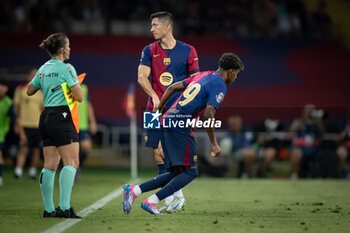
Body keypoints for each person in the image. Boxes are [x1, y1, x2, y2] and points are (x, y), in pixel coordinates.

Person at [123, 53, 244, 215]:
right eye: (236, 74)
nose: (235, 78)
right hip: (179, 126)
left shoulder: (203, 75)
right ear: (230, 71)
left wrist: (159, 110)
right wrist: (214, 144)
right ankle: (151, 201)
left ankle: (134, 190)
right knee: (191, 172)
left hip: (167, 120)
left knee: (176, 171)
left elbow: (171, 87)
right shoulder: (220, 84)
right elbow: (208, 115)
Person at [137, 11, 199, 212]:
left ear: (167, 26)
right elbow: (141, 77)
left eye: (155, 25)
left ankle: (174, 198)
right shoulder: (149, 50)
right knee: (158, 154)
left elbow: (195, 83)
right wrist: (154, 95)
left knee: (171, 154)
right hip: (153, 109)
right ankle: (174, 198)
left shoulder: (189, 51)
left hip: (177, 112)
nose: (151, 29)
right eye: (151, 25)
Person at [27, 32, 83, 218]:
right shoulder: (67, 68)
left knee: (49, 165)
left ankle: (49, 210)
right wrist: (69, 86)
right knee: (72, 162)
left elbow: (29, 90)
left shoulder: (43, 69)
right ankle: (65, 208)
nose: (69, 49)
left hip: (45, 117)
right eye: (68, 46)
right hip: (61, 115)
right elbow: (79, 97)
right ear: (61, 49)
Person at [14, 68, 44, 180]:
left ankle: (32, 173)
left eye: (37, 76)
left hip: (37, 126)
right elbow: (16, 108)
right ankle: (18, 171)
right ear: (28, 76)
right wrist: (17, 125)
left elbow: (43, 110)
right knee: (23, 149)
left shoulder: (41, 92)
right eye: (32, 75)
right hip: (23, 125)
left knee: (36, 150)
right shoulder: (21, 89)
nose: (34, 77)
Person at [0, 78, 27, 186]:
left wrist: (22, 134)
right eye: (0, 86)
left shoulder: (8, 103)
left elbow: (16, 119)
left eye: (4, 87)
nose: (2, 89)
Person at [289, 104, 325, 179]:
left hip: (314, 147)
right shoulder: (299, 120)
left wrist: (318, 120)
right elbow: (293, 130)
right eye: (308, 109)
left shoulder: (317, 121)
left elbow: (322, 132)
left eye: (312, 110)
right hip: (301, 147)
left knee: (324, 154)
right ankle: (294, 175)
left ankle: (319, 176)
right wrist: (304, 119)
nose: (310, 111)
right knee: (296, 153)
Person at [75, 83, 97, 181]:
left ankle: (77, 167)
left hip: (82, 125)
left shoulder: (83, 87)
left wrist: (92, 122)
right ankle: (71, 170)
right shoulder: (64, 87)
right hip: (68, 124)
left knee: (86, 147)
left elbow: (88, 105)